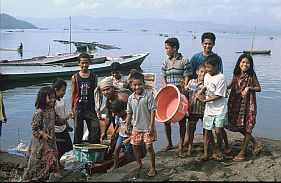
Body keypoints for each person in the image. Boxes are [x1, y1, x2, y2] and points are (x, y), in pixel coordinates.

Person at [187, 32, 229, 153]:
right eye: (205, 43)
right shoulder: (195, 58)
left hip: (212, 97)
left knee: (215, 127)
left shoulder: (217, 59)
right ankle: (196, 146)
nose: (207, 46)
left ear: (214, 44)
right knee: (201, 125)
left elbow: (218, 76)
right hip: (200, 94)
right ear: (202, 44)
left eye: (210, 44)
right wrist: (195, 92)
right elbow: (191, 76)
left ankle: (219, 147)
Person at [22, 86, 64, 181]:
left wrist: (67, 118)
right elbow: (34, 127)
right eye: (50, 98)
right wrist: (42, 134)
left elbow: (57, 121)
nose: (53, 100)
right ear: (43, 98)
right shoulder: (39, 112)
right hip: (40, 143)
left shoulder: (52, 110)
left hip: (51, 140)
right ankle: (29, 178)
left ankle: (44, 176)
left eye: (54, 97)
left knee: (51, 159)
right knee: (36, 162)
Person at [226, 53, 263, 161]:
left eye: (247, 63)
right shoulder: (236, 74)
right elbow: (230, 85)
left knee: (247, 126)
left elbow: (259, 88)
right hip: (236, 103)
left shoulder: (252, 75)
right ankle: (256, 143)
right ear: (239, 63)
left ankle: (243, 152)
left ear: (250, 65)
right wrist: (219, 87)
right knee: (238, 125)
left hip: (248, 104)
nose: (245, 64)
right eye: (243, 62)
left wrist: (249, 88)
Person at [161, 37, 192, 157]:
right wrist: (164, 85)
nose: (166, 51)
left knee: (182, 120)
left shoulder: (184, 60)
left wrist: (184, 91)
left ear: (174, 48)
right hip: (169, 94)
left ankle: (180, 145)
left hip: (181, 93)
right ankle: (169, 143)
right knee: (166, 120)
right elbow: (163, 75)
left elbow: (187, 77)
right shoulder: (166, 62)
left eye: (167, 48)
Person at [196, 54, 228, 162]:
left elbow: (219, 95)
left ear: (216, 66)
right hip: (209, 109)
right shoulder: (207, 75)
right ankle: (206, 153)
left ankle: (219, 150)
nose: (207, 69)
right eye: (206, 67)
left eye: (209, 67)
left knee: (218, 131)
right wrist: (201, 92)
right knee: (207, 131)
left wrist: (204, 100)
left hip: (220, 108)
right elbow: (206, 86)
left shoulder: (221, 78)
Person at [125, 72, 157, 177]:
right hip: (136, 127)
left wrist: (151, 125)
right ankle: (139, 164)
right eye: (134, 85)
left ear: (143, 84)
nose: (137, 87)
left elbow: (153, 111)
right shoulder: (130, 98)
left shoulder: (148, 96)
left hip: (147, 127)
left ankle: (153, 167)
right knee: (135, 147)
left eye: (139, 84)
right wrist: (126, 125)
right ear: (131, 85)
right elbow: (129, 113)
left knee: (148, 147)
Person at [69, 53, 101, 144]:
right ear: (79, 63)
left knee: (96, 128)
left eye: (86, 63)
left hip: (90, 107)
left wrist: (98, 109)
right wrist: (71, 109)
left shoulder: (94, 77)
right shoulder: (75, 77)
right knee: (78, 131)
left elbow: (96, 94)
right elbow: (73, 93)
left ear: (89, 63)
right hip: (78, 108)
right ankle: (78, 152)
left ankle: (92, 147)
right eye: (82, 63)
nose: (84, 65)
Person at [185, 64, 206, 157]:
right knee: (191, 130)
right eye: (201, 72)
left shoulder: (207, 83)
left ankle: (206, 148)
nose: (203, 74)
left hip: (204, 110)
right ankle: (190, 148)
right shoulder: (191, 82)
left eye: (205, 72)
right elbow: (186, 92)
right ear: (197, 72)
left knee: (206, 130)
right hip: (193, 110)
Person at [52, 78, 73, 168]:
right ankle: (56, 164)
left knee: (68, 146)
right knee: (58, 149)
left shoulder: (62, 100)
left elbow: (62, 113)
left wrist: (67, 125)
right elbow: (55, 118)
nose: (64, 92)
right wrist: (68, 116)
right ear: (56, 90)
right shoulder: (52, 102)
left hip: (63, 128)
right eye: (63, 90)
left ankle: (57, 161)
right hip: (55, 130)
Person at [108, 100, 134, 172]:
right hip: (121, 135)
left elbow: (135, 131)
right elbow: (117, 124)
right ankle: (115, 165)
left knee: (128, 152)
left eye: (118, 113)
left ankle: (128, 165)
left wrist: (128, 139)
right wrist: (114, 132)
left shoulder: (130, 117)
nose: (117, 115)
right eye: (116, 114)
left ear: (123, 110)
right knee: (116, 150)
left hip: (129, 137)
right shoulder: (117, 116)